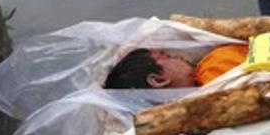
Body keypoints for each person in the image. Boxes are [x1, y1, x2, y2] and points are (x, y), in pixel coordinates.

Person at [103, 45, 248, 89]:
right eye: (165, 56)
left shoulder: (206, 69)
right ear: (158, 80)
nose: (176, 56)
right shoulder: (211, 74)